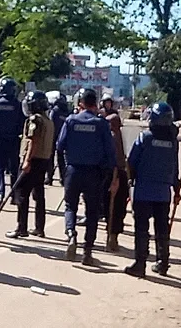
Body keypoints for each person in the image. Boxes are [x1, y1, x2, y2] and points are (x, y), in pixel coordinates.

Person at [57, 88, 119, 265]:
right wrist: (108, 174)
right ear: (95, 103)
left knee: (70, 207)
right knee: (92, 212)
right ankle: (87, 251)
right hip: (94, 173)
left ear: (81, 103)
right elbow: (110, 152)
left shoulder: (70, 120)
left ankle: (71, 234)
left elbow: (60, 146)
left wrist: (64, 171)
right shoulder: (101, 124)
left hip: (73, 170)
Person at [124, 103, 181, 278]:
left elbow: (132, 162)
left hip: (143, 191)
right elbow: (175, 168)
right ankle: (163, 262)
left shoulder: (145, 138)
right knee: (162, 229)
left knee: (142, 228)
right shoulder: (173, 142)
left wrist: (130, 180)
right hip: (163, 192)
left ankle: (140, 263)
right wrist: (176, 190)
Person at [6, 91, 54, 239]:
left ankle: (21, 227)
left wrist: (27, 160)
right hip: (44, 160)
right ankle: (39, 228)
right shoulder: (48, 120)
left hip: (33, 160)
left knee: (22, 194)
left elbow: (34, 141)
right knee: (39, 194)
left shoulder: (35, 120)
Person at [0, 76, 24, 209]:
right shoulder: (18, 105)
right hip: (14, 140)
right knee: (14, 170)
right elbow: (22, 123)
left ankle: (0, 195)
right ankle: (14, 196)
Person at [98, 100, 129, 252]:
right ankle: (112, 235)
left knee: (113, 207)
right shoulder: (114, 135)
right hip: (115, 173)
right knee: (115, 208)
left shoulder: (113, 136)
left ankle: (112, 235)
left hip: (113, 174)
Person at [45, 93, 70, 186]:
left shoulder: (54, 111)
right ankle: (62, 178)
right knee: (61, 159)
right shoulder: (67, 111)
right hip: (63, 137)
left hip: (53, 136)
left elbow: (51, 123)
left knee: (50, 158)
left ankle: (49, 177)